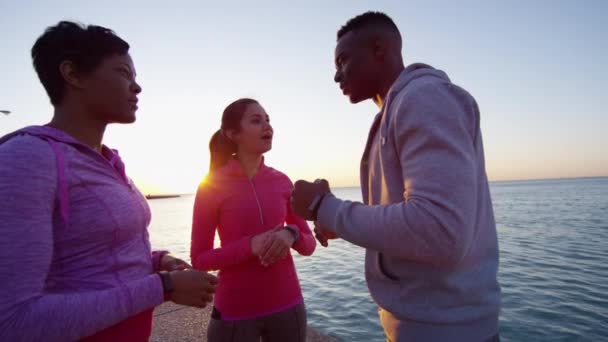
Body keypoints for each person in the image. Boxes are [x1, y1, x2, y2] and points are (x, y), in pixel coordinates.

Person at [0, 21, 217, 341]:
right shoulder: (27, 159)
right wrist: (163, 287)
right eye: (123, 73)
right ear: (72, 75)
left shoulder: (108, 161)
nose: (137, 87)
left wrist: (156, 261)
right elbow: (14, 323)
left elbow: (90, 257)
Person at [290, 11, 501, 342]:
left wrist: (323, 206)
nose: (336, 76)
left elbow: (439, 230)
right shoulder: (400, 108)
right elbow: (419, 218)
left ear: (379, 49)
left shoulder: (424, 98)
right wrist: (340, 222)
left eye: (343, 60)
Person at [191, 98, 316, 342]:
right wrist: (251, 245)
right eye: (256, 121)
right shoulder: (211, 186)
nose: (267, 127)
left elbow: (309, 244)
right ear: (233, 133)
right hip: (235, 312)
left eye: (268, 120)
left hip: (288, 306)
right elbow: (199, 259)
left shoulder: (282, 181)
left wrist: (290, 234)